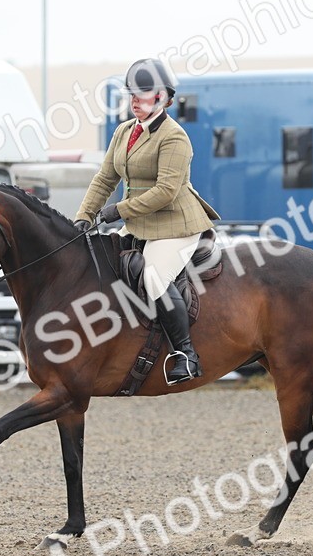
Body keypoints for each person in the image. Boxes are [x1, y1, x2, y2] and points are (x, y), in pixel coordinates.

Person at [73, 58, 220, 385]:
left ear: (165, 98)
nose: (135, 101)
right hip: (140, 224)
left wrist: (119, 211)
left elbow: (166, 191)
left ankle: (185, 353)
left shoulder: (174, 137)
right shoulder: (124, 131)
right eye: (132, 95)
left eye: (144, 95)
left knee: (153, 277)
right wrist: (84, 216)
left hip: (176, 225)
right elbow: (104, 179)